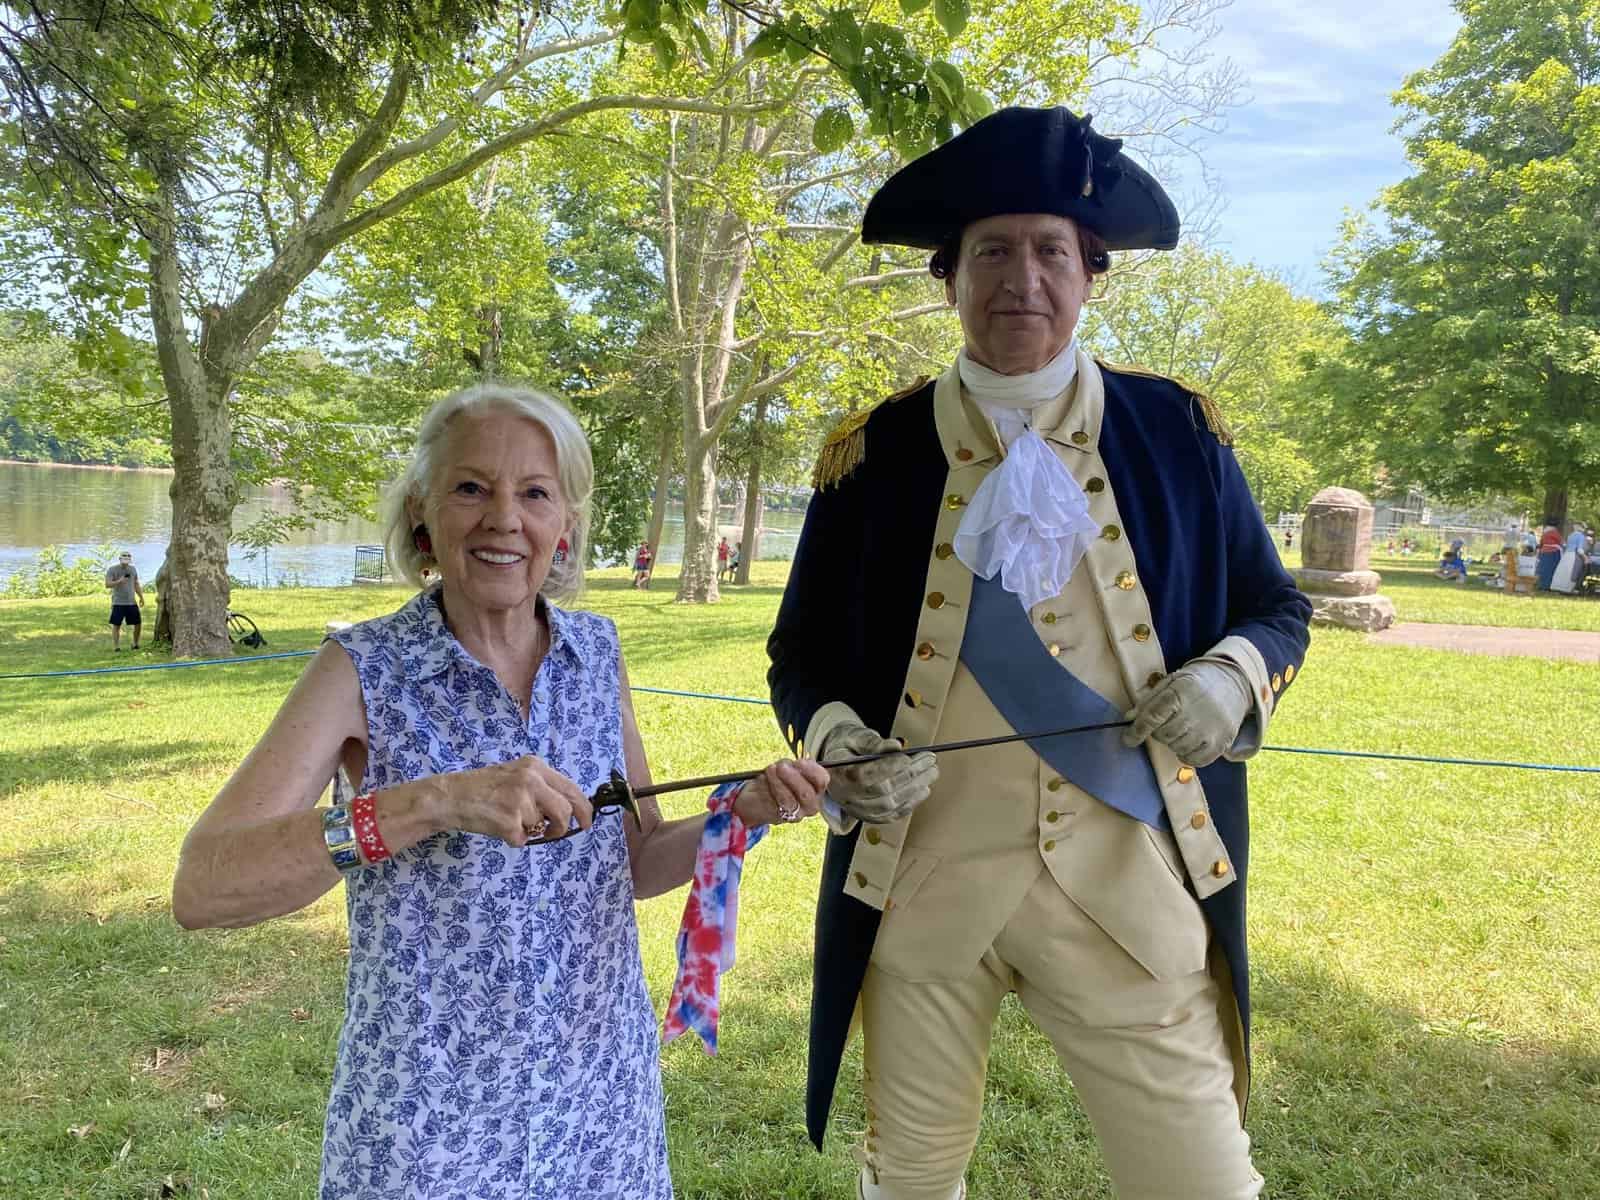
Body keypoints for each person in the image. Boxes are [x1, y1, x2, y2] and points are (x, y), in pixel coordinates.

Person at [767, 106, 1311, 1200]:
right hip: (923, 884)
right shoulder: (871, 455)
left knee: (1200, 1182)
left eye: (1050, 251)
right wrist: (841, 742)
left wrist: (1229, 675)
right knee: (909, 1183)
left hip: (1127, 881)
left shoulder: (1177, 434)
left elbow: (1275, 607)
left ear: (1090, 274)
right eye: (992, 252)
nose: (1022, 278)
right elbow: (799, 656)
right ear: (948, 278)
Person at [172, 384, 828, 1199]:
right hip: (429, 1124)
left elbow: (633, 860)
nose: (502, 518)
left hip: (599, 1107)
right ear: (424, 513)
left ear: (566, 524)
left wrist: (742, 816)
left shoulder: (596, 651)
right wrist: (431, 802)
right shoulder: (361, 669)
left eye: (535, 493)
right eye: (471, 488)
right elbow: (204, 887)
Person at [104, 550, 145, 651]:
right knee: (116, 625)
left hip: (131, 602)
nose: (126, 560)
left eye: (128, 558)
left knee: (138, 623)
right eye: (124, 558)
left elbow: (136, 583)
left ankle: (135, 644)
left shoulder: (133, 569)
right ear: (120, 559)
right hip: (118, 602)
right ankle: (116, 646)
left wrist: (141, 597)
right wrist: (119, 581)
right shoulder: (112, 569)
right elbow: (107, 584)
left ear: (130, 560)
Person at [1535, 518, 1564, 590]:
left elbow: (1541, 543)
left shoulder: (1545, 532)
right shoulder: (1554, 532)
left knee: (1543, 569)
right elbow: (1561, 541)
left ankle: (1541, 585)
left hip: (1544, 551)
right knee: (1551, 569)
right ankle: (1547, 586)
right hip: (1553, 552)